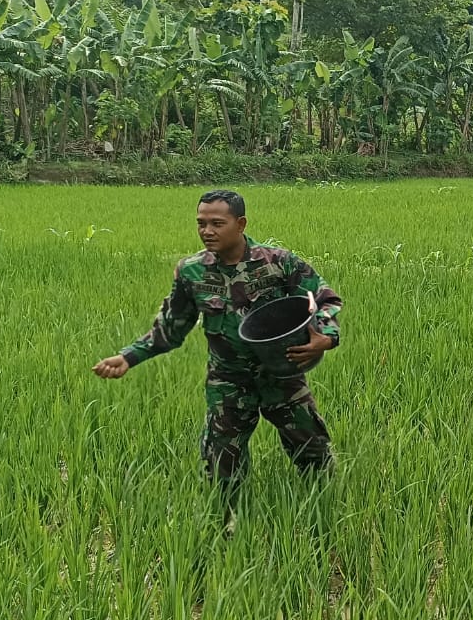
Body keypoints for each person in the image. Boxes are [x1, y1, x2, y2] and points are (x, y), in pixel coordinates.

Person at [92, 189, 342, 483]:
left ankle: (322, 503)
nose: (207, 231)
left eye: (217, 223)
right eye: (201, 223)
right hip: (228, 382)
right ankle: (229, 511)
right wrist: (128, 357)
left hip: (281, 374)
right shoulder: (192, 272)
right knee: (222, 468)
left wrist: (326, 337)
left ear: (241, 224)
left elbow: (324, 299)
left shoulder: (278, 262)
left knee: (314, 456)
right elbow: (171, 328)